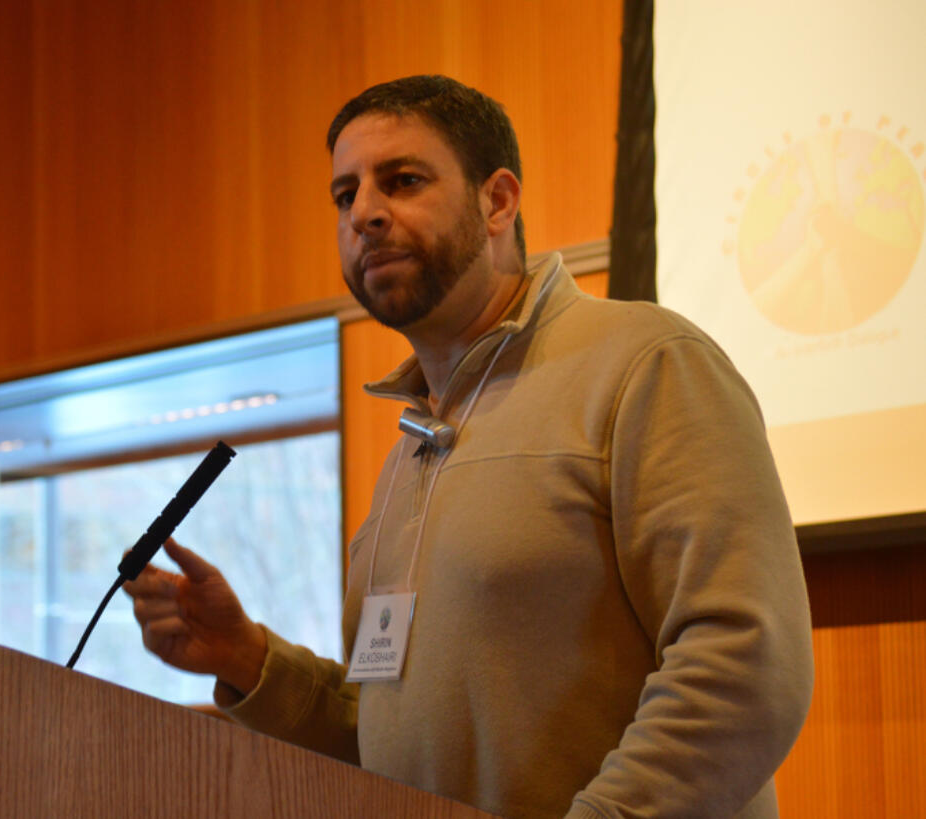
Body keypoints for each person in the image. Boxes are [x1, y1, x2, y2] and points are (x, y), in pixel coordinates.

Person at [125, 75, 813, 818]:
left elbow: (745, 663)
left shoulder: (646, 363)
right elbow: (393, 736)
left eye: (403, 181)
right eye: (344, 194)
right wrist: (249, 660)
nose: (365, 214)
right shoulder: (412, 447)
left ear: (498, 201)